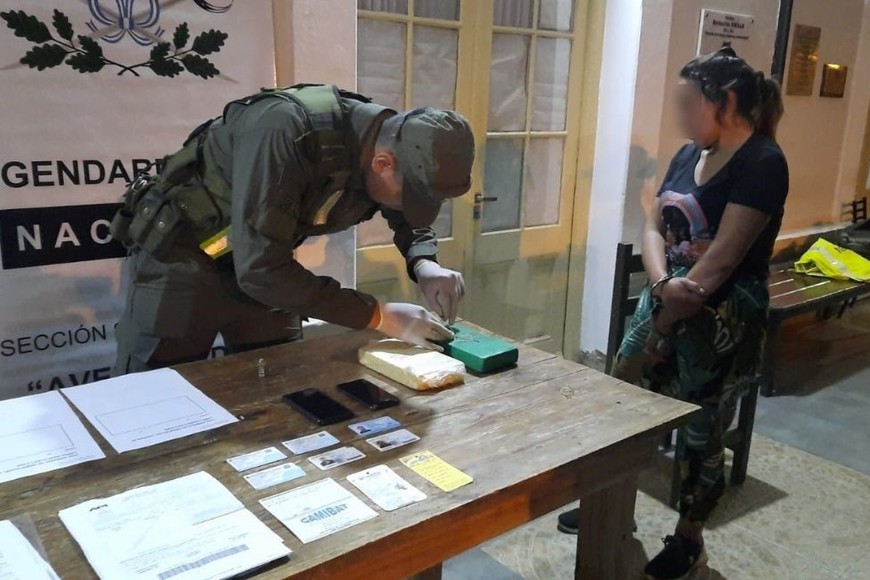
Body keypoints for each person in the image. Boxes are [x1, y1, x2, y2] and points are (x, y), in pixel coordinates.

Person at [558, 47, 788, 579]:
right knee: (622, 402)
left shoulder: (762, 162)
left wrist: (670, 312)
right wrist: (661, 287)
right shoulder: (689, 154)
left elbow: (725, 256)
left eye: (688, 104)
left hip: (720, 319)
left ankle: (688, 541)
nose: (680, 117)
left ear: (725, 103)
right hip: (665, 297)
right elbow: (654, 227)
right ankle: (611, 507)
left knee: (700, 433)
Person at [110, 84, 475, 374]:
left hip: (263, 265)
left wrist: (425, 263)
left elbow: (398, 208)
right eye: (410, 196)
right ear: (382, 162)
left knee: (283, 380)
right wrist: (378, 315)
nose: (408, 207)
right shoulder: (286, 130)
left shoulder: (388, 144)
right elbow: (261, 271)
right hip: (183, 260)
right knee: (156, 397)